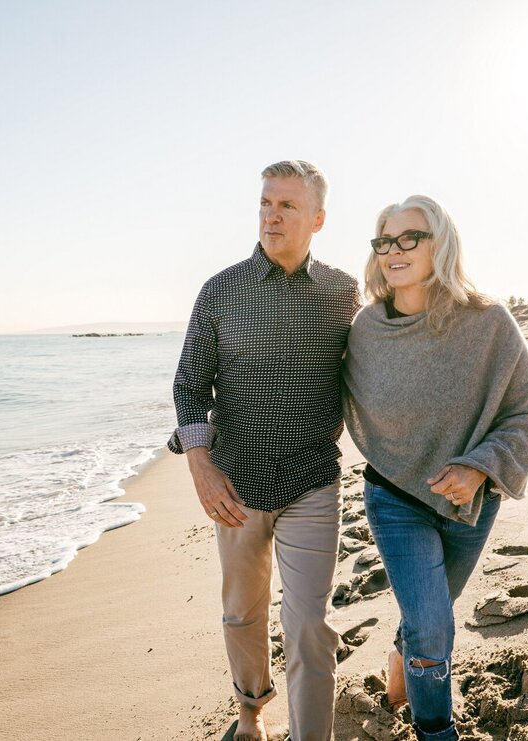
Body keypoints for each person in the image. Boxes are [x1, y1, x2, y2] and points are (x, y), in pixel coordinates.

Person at [169, 160, 361, 741]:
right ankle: (250, 710)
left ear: (318, 219)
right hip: (234, 484)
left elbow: (371, 377)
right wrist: (200, 466)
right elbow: (188, 387)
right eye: (265, 203)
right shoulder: (221, 291)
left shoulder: (341, 293)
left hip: (312, 479)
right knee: (243, 614)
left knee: (308, 627)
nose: (271, 216)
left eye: (287, 206)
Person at [342, 195, 528, 741]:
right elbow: (320, 392)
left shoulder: (488, 323)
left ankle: (399, 656)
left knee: (427, 618)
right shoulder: (366, 330)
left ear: (442, 243)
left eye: (411, 238)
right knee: (434, 625)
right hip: (393, 497)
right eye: (385, 241)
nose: (395, 250)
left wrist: (479, 468)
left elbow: (525, 411)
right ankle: (436, 731)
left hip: (470, 501)